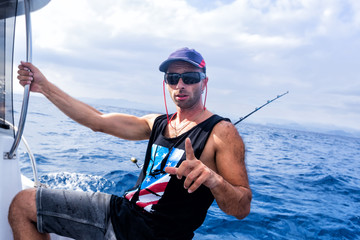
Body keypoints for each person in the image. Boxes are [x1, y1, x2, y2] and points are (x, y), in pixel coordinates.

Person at [8, 47, 252, 240]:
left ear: (204, 83)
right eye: (173, 78)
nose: (180, 85)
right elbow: (97, 121)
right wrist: (44, 87)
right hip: (122, 216)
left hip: (159, 234)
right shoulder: (156, 123)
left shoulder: (222, 132)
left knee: (23, 203)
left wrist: (213, 179)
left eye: (189, 78)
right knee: (23, 203)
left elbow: (241, 209)